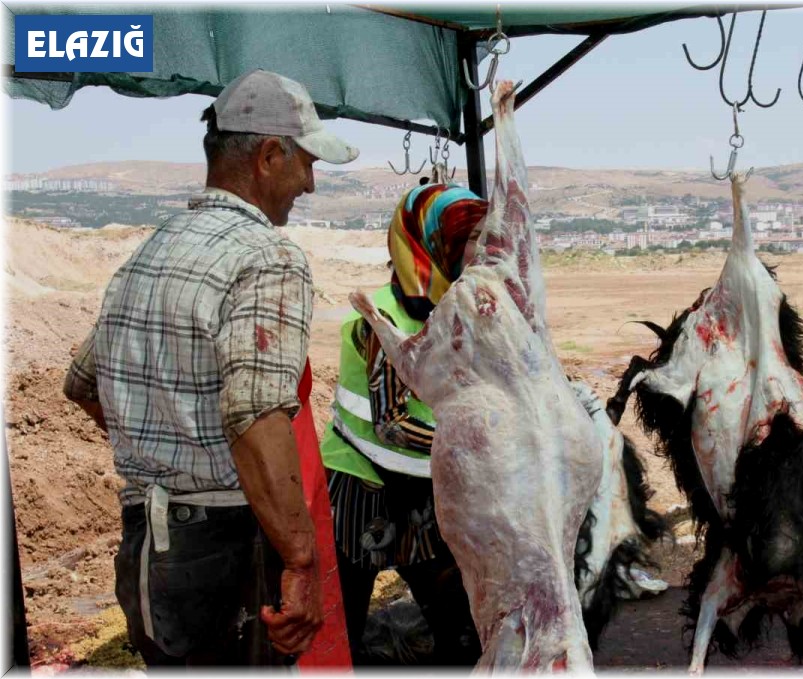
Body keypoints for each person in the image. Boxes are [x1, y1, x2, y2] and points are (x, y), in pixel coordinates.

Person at [62, 68, 359, 666]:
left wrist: (168, 448)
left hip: (147, 546)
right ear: (269, 156)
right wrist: (302, 563)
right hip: (227, 549)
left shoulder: (154, 248)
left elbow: (85, 384)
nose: (310, 184)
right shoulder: (268, 257)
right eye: (307, 163)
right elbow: (255, 416)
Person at [319, 182, 487, 665]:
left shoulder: (455, 311)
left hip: (423, 485)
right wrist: (483, 447)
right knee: (342, 632)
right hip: (360, 491)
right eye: (473, 237)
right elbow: (391, 425)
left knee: (458, 628)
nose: (484, 249)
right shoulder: (381, 317)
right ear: (435, 242)